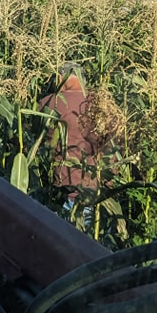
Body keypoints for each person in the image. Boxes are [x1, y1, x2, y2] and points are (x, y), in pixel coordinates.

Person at [40, 64, 119, 217]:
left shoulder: (49, 104)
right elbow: (115, 148)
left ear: (60, 79)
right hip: (99, 194)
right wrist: (108, 184)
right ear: (83, 81)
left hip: (62, 192)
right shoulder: (103, 105)